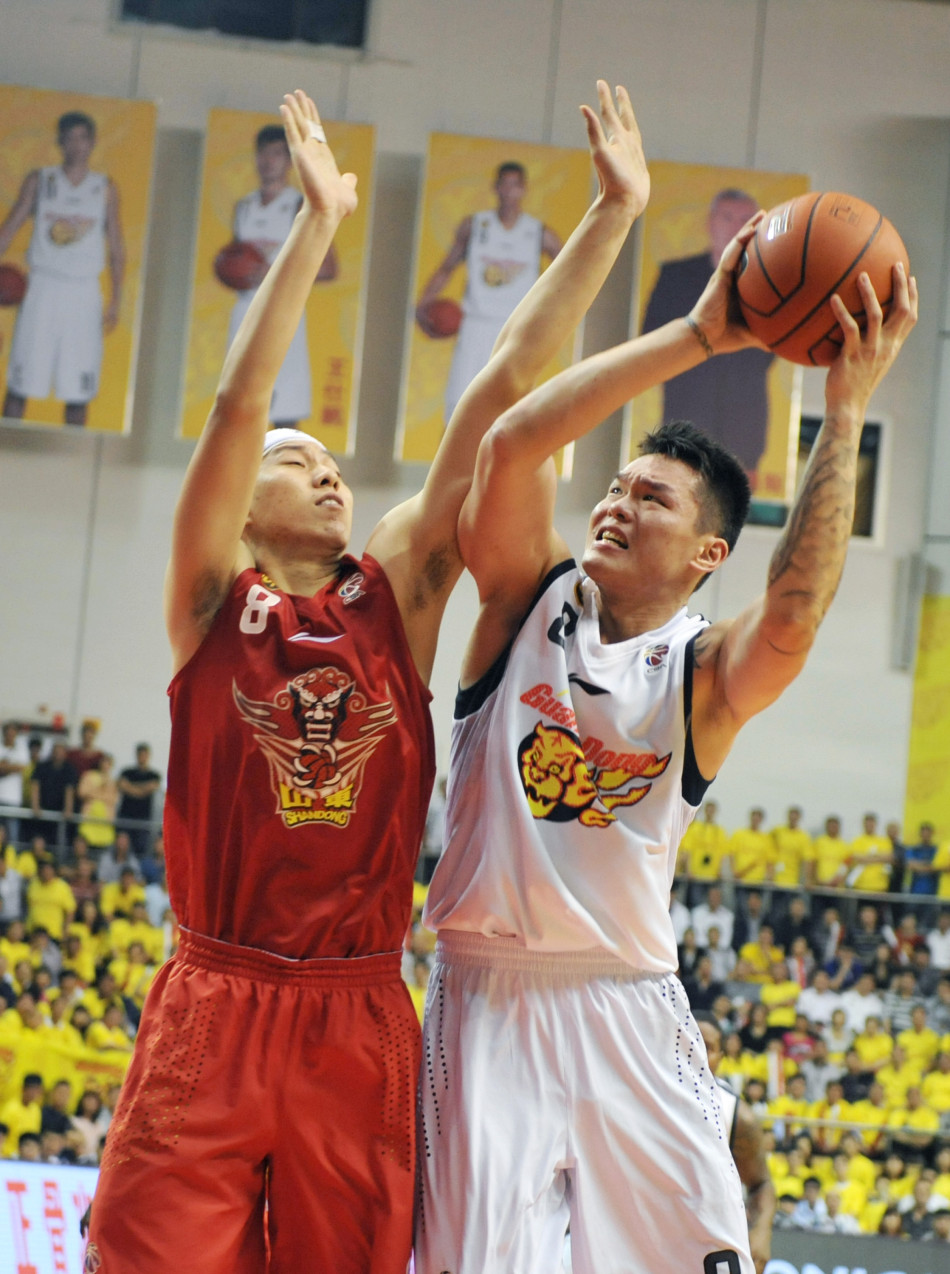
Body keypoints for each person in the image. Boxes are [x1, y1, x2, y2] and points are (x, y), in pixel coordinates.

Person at [85, 82, 648, 1274]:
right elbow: (240, 403)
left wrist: (609, 218)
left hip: (355, 1007)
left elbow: (499, 390)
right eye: (298, 462)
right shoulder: (208, 604)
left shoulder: (392, 591)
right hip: (215, 996)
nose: (327, 472)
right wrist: (318, 223)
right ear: (239, 508)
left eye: (334, 459)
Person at [416, 186, 916, 1272]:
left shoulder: (699, 675)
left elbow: (791, 610)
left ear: (703, 554)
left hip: (626, 1006)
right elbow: (507, 446)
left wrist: (839, 411)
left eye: (649, 499)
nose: (613, 502)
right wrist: (701, 332)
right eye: (614, 484)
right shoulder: (523, 602)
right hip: (485, 995)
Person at [640, 187, 775, 477]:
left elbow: (772, 350)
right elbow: (649, 339)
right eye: (727, 218)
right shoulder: (675, 275)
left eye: (745, 219)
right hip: (685, 415)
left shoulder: (772, 281)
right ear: (710, 223)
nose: (736, 227)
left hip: (744, 424)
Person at [0, 112, 124, 426]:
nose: (76, 145)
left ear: (93, 142)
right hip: (42, 286)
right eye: (69, 138)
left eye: (82, 137)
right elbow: (9, 228)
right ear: (60, 142)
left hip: (83, 292)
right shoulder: (40, 180)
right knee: (20, 385)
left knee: (78, 390)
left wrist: (116, 299)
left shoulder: (104, 187)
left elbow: (117, 247)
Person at [415, 159, 563, 421]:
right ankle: (452, 460)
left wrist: (554, 314)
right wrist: (423, 304)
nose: (508, 191)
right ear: (495, 188)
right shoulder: (474, 226)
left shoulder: (538, 233)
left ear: (523, 190)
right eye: (503, 185)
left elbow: (569, 271)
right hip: (475, 323)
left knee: (508, 410)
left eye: (514, 185)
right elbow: (447, 267)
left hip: (514, 329)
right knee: (459, 406)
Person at [225, 123, 338, 428]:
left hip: (282, 312)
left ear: (289, 161)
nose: (268, 161)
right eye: (262, 153)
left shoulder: (301, 204)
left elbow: (329, 268)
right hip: (245, 310)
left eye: (276, 154)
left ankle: (286, 474)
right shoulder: (244, 207)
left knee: (284, 417)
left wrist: (274, 272)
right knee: (238, 410)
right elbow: (235, 264)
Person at [696, 1012, 777, 1273]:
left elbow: (761, 1183)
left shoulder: (737, 1116)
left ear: (721, 1057)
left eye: (708, 1047)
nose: (697, 1051)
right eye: (690, 1039)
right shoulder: (642, 1097)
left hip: (711, 1237)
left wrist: (762, 1229)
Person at [116, 742, 162, 854]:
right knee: (121, 849)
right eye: (140, 754)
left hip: (143, 819)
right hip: (125, 817)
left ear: (148, 756)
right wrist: (143, 788)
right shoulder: (126, 772)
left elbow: (152, 786)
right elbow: (122, 785)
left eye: (144, 754)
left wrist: (131, 787)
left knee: (140, 849)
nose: (142, 757)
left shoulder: (154, 775)